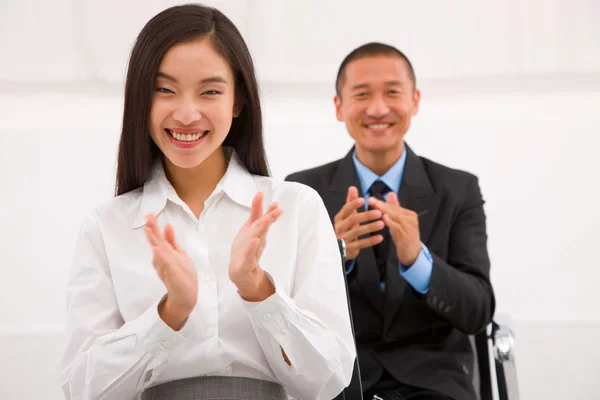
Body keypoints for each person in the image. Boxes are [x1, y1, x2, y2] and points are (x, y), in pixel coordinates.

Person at [58, 5, 356, 400]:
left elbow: (329, 378)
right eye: (164, 90)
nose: (186, 113)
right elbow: (83, 390)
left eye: (210, 91)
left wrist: (258, 289)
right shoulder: (106, 226)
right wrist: (170, 314)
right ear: (140, 100)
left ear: (237, 102)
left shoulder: (296, 208)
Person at [286, 42, 496, 400]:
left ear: (415, 101)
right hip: (339, 381)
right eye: (362, 94)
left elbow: (478, 311)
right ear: (339, 107)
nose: (378, 108)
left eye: (392, 93)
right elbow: (287, 311)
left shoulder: (458, 189)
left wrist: (419, 261)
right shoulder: (303, 191)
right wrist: (335, 256)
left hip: (434, 383)